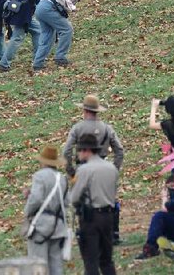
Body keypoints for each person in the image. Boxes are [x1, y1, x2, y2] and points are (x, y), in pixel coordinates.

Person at [61, 95, 124, 243]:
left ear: (84, 110)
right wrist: (114, 169)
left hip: (83, 167)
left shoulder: (77, 128)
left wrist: (70, 171)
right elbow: (119, 150)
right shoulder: (107, 128)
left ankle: (85, 230)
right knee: (108, 198)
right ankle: (113, 233)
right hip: (104, 166)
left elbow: (66, 151)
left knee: (83, 199)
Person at [70, 133, 119, 275]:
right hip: (109, 216)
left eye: (79, 150)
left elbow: (74, 197)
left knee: (90, 260)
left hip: (90, 218)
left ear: (86, 150)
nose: (78, 154)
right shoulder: (111, 168)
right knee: (107, 260)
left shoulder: (84, 170)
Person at [23, 145, 68, 275]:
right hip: (58, 226)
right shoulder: (62, 179)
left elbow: (36, 199)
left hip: (41, 227)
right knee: (56, 266)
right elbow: (66, 201)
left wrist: (27, 212)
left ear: (43, 161)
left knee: (38, 265)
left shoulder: (39, 176)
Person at [32, 0, 85, 72]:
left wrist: (73, 0)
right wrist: (72, 7)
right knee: (67, 29)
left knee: (47, 36)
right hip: (48, 8)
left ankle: (38, 63)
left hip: (41, 8)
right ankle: (60, 57)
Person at [135, 172, 174, 260]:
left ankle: (151, 247)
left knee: (159, 216)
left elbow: (166, 209)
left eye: (172, 186)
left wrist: (164, 197)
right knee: (159, 218)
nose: (171, 190)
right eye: (169, 187)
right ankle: (155, 245)